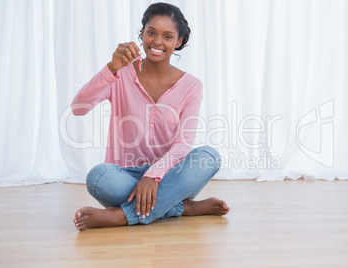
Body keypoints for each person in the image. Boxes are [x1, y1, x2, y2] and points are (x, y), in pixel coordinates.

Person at [72, 2, 230, 231]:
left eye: (167, 36)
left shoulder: (192, 86)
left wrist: (154, 176)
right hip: (125, 178)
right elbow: (78, 108)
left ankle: (122, 217)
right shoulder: (121, 73)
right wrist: (111, 68)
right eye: (151, 32)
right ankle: (182, 208)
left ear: (179, 42)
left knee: (209, 156)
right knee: (98, 176)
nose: (157, 41)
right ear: (142, 34)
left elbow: (184, 143)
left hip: (169, 177)